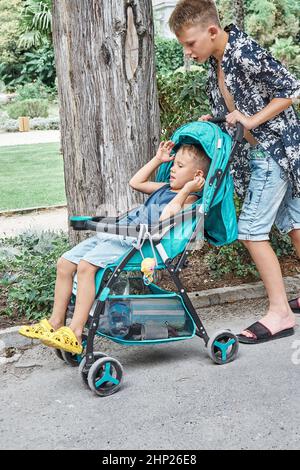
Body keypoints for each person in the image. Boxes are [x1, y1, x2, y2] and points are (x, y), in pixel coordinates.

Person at [169, 0, 300, 344]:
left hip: (275, 150)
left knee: (252, 230)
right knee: (293, 223)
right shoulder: (216, 60)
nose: (187, 52)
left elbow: (290, 88)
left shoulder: (243, 52)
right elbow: (229, 109)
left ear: (212, 31)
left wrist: (252, 121)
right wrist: (209, 119)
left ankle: (280, 313)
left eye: (190, 43)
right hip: (263, 151)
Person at [19, 141, 210, 353]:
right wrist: (158, 159)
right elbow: (135, 182)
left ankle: (75, 332)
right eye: (173, 164)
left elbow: (166, 218)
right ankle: (56, 322)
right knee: (65, 263)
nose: (173, 169)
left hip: (139, 244)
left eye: (180, 166)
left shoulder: (188, 198)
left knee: (85, 266)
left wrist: (186, 189)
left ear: (197, 175)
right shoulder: (166, 188)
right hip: (122, 233)